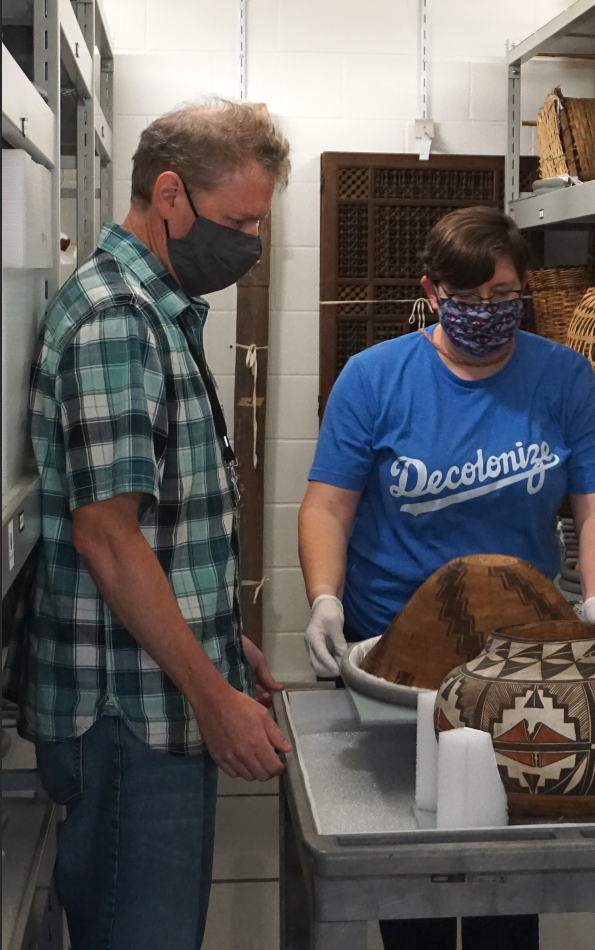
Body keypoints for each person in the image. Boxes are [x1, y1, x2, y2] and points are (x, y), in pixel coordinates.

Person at [3, 99, 293, 950]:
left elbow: (150, 520)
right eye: (239, 220)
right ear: (169, 194)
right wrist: (213, 699)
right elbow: (106, 536)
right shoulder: (117, 319)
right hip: (131, 717)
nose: (250, 243)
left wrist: (213, 631)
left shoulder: (150, 308)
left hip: (150, 695)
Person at [299, 206, 595, 950]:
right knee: (408, 860)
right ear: (432, 290)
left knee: (506, 866)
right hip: (396, 651)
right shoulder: (375, 378)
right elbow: (327, 505)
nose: (488, 313)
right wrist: (324, 598)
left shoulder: (563, 377)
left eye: (505, 298)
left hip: (521, 660)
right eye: (469, 299)